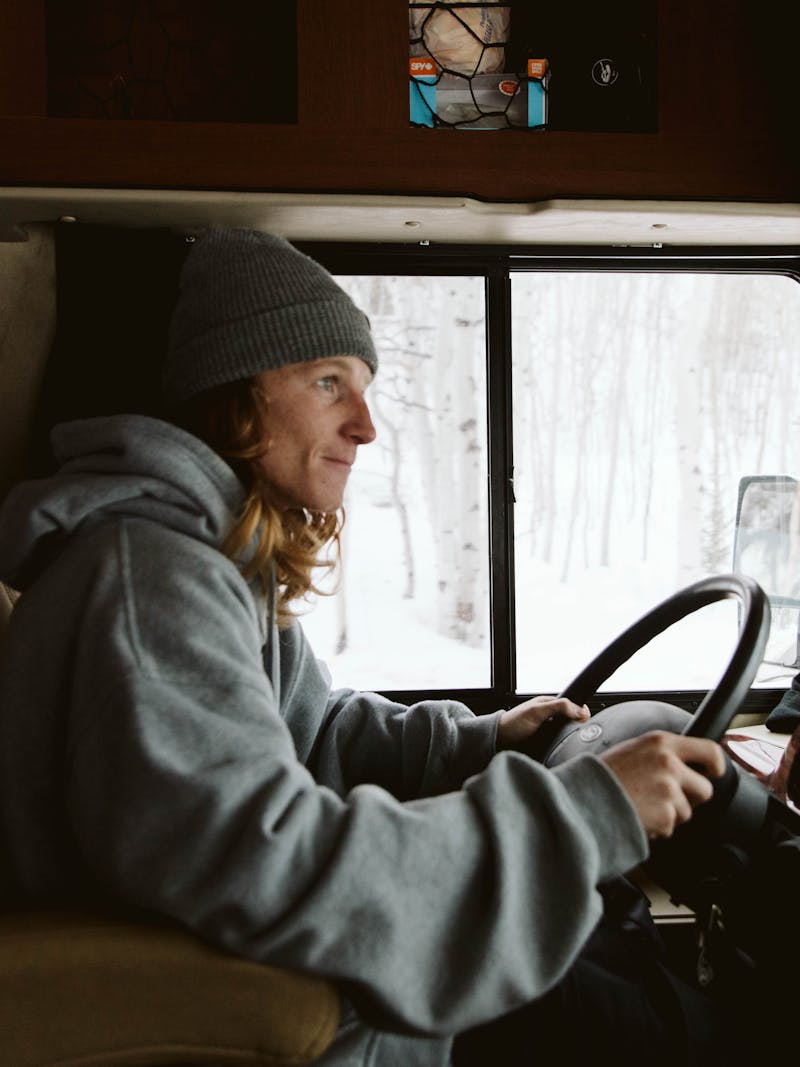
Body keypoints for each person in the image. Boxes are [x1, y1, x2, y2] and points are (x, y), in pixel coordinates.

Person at [0, 228, 734, 1066]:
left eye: (366, 387)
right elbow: (267, 859)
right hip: (276, 1012)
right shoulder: (152, 581)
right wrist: (588, 811)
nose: (366, 426)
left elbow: (313, 734)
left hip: (279, 977)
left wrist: (480, 736)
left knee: (607, 950)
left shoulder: (208, 565)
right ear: (234, 393)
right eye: (327, 383)